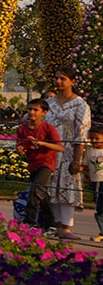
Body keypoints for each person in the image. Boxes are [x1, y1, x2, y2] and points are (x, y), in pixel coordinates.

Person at [44, 69, 93, 235]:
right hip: (50, 151)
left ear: (72, 81)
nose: (58, 81)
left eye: (63, 79)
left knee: (68, 187)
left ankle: (67, 227)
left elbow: (82, 133)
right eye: (56, 78)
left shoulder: (80, 105)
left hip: (69, 152)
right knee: (51, 188)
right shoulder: (49, 103)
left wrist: (77, 160)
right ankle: (57, 226)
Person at [15, 98, 62, 229]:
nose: (32, 112)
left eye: (36, 110)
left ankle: (29, 223)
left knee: (35, 192)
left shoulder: (48, 128)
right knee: (42, 195)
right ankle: (50, 224)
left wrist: (41, 143)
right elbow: (20, 148)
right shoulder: (22, 129)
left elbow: (59, 147)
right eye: (30, 109)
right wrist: (20, 150)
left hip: (46, 163)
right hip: (33, 164)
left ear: (44, 113)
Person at [83, 129, 103, 242]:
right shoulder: (89, 151)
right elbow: (85, 165)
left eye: (97, 138)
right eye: (92, 138)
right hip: (96, 181)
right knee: (99, 208)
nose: (94, 141)